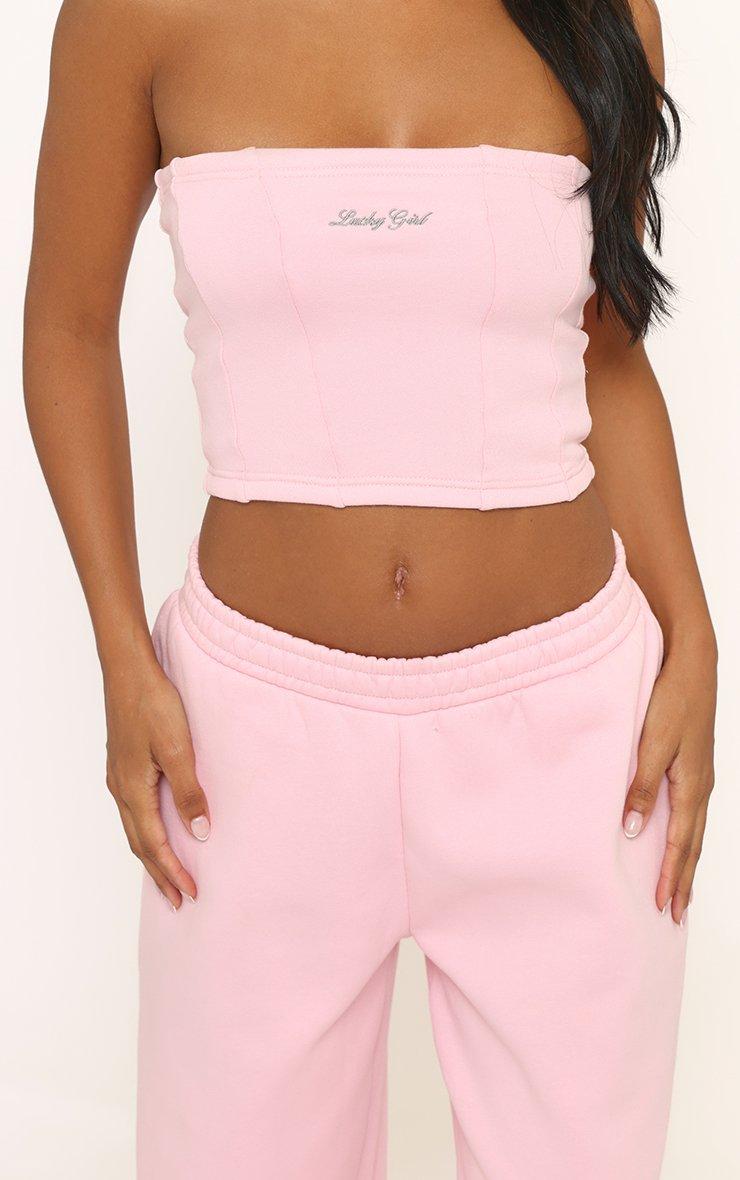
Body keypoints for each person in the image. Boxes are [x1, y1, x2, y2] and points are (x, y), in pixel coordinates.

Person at [23, 1, 717, 1176]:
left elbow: (606, 352)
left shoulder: (602, 15)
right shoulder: (133, 16)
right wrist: (118, 651)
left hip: (570, 736)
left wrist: (691, 632)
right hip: (241, 741)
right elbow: (67, 329)